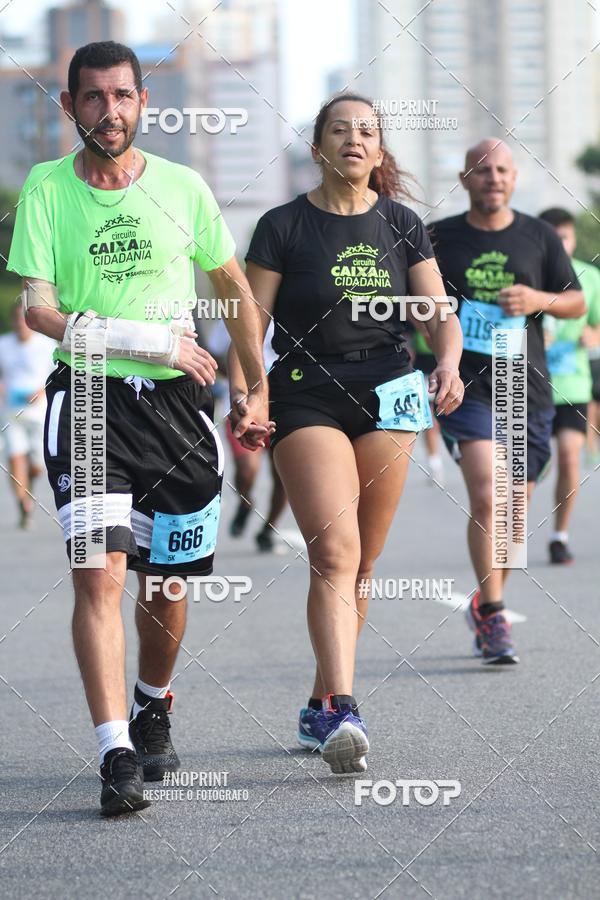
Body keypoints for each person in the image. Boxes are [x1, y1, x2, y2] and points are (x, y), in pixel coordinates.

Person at [7, 41, 268, 817]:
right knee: (100, 576)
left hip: (177, 413)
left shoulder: (184, 188)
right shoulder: (46, 190)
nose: (108, 112)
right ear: (70, 107)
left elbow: (233, 288)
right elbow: (39, 310)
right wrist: (148, 340)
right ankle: (114, 745)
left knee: (167, 586)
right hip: (87, 400)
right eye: (92, 98)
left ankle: (154, 702)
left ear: (143, 102)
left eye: (122, 96)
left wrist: (255, 388)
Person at [228, 93, 464, 774]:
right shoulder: (282, 225)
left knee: (362, 563)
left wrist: (446, 360)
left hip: (389, 389)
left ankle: (318, 701)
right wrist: (253, 392)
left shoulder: (402, 223)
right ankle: (341, 708)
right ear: (318, 147)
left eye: (367, 131)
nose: (354, 140)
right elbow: (251, 322)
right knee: (333, 552)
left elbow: (435, 311)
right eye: (341, 130)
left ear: (380, 150)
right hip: (306, 395)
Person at [431, 139, 585, 665]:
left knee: (515, 513)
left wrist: (539, 299)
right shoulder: (440, 238)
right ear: (464, 177)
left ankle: (486, 599)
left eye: (501, 170)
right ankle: (494, 612)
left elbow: (576, 301)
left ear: (513, 178)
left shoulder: (538, 236)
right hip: (468, 384)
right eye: (481, 169)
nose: (492, 177)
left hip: (525, 386)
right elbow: (416, 301)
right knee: (488, 494)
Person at [538, 208, 600, 563]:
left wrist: (591, 335)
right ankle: (509, 537)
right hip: (528, 385)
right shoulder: (528, 272)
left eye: (565, 237)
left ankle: (559, 536)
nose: (560, 244)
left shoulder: (590, 277)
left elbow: (598, 325)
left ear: (573, 239)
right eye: (552, 237)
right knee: (523, 467)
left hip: (573, 384)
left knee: (569, 457)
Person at [207, 318, 287, 551]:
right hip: (244, 405)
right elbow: (215, 355)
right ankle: (246, 501)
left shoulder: (293, 306)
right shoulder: (235, 310)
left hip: (286, 401)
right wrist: (248, 375)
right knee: (246, 470)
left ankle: (269, 528)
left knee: (282, 476)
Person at [0, 300, 56, 528]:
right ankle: (23, 502)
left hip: (39, 414)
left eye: (24, 318)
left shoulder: (46, 344)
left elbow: (57, 376)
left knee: (36, 466)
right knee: (15, 456)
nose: (20, 323)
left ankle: (28, 490)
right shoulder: (3, 344)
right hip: (11, 412)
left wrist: (41, 391)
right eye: (16, 319)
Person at [411, 327, 445, 485]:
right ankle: (434, 463)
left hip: (449, 369)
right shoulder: (411, 308)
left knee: (442, 417)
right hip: (422, 369)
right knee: (430, 419)